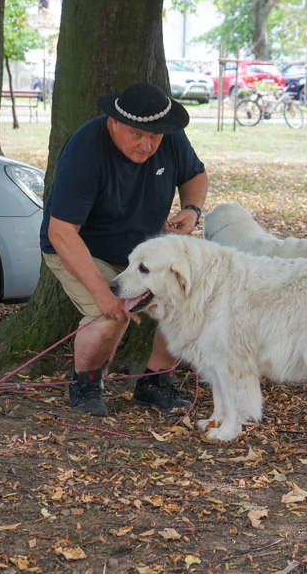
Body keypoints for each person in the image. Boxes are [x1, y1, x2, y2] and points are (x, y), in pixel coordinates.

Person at [39, 81, 208, 417]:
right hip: (86, 249)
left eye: (154, 137)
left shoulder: (168, 135)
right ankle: (85, 384)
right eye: (136, 135)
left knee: (188, 300)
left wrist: (191, 210)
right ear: (114, 122)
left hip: (143, 253)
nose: (147, 146)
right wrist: (103, 293)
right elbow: (62, 233)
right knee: (109, 315)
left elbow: (196, 175)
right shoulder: (86, 151)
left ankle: (154, 383)